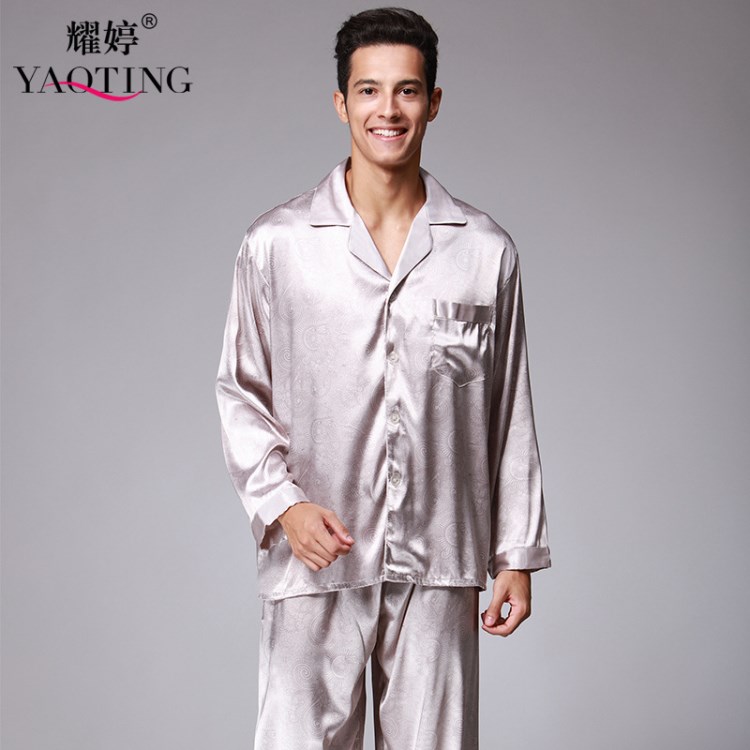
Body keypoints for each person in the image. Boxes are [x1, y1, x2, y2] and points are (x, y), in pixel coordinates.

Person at [215, 7, 551, 748]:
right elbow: (241, 391)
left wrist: (516, 555)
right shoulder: (277, 245)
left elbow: (508, 412)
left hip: (440, 561)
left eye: (407, 90)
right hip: (314, 560)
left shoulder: (483, 252)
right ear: (341, 103)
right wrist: (284, 506)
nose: (387, 110)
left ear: (434, 102)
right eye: (369, 90)